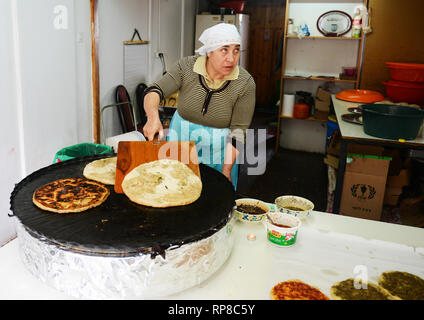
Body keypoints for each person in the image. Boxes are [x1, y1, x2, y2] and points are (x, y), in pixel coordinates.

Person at [142, 23, 256, 190]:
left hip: (220, 150)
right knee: (174, 189)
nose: (231, 58)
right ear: (209, 51)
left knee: (215, 197)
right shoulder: (186, 67)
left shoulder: (244, 83)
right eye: (224, 50)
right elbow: (155, 90)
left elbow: (238, 133)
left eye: (236, 50)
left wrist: (226, 170)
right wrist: (152, 117)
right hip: (181, 139)